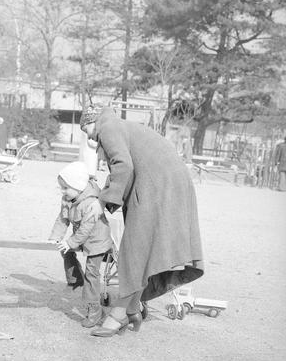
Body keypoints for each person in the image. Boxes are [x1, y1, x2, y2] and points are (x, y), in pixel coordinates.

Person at [79, 106, 204, 337]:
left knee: (134, 250)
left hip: (159, 185)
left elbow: (123, 165)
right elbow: (127, 166)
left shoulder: (108, 127)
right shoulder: (118, 126)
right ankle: (132, 308)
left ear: (91, 121)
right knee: (141, 250)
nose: (87, 136)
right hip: (165, 183)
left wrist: (102, 201)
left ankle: (120, 314)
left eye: (85, 128)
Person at [49, 161, 114, 328]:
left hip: (96, 241)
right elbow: (62, 218)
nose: (62, 192)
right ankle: (76, 279)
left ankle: (95, 311)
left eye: (65, 188)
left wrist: (70, 242)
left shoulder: (90, 203)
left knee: (92, 274)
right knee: (64, 249)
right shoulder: (68, 199)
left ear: (77, 186)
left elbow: (86, 229)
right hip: (81, 237)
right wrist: (57, 237)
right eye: (61, 188)